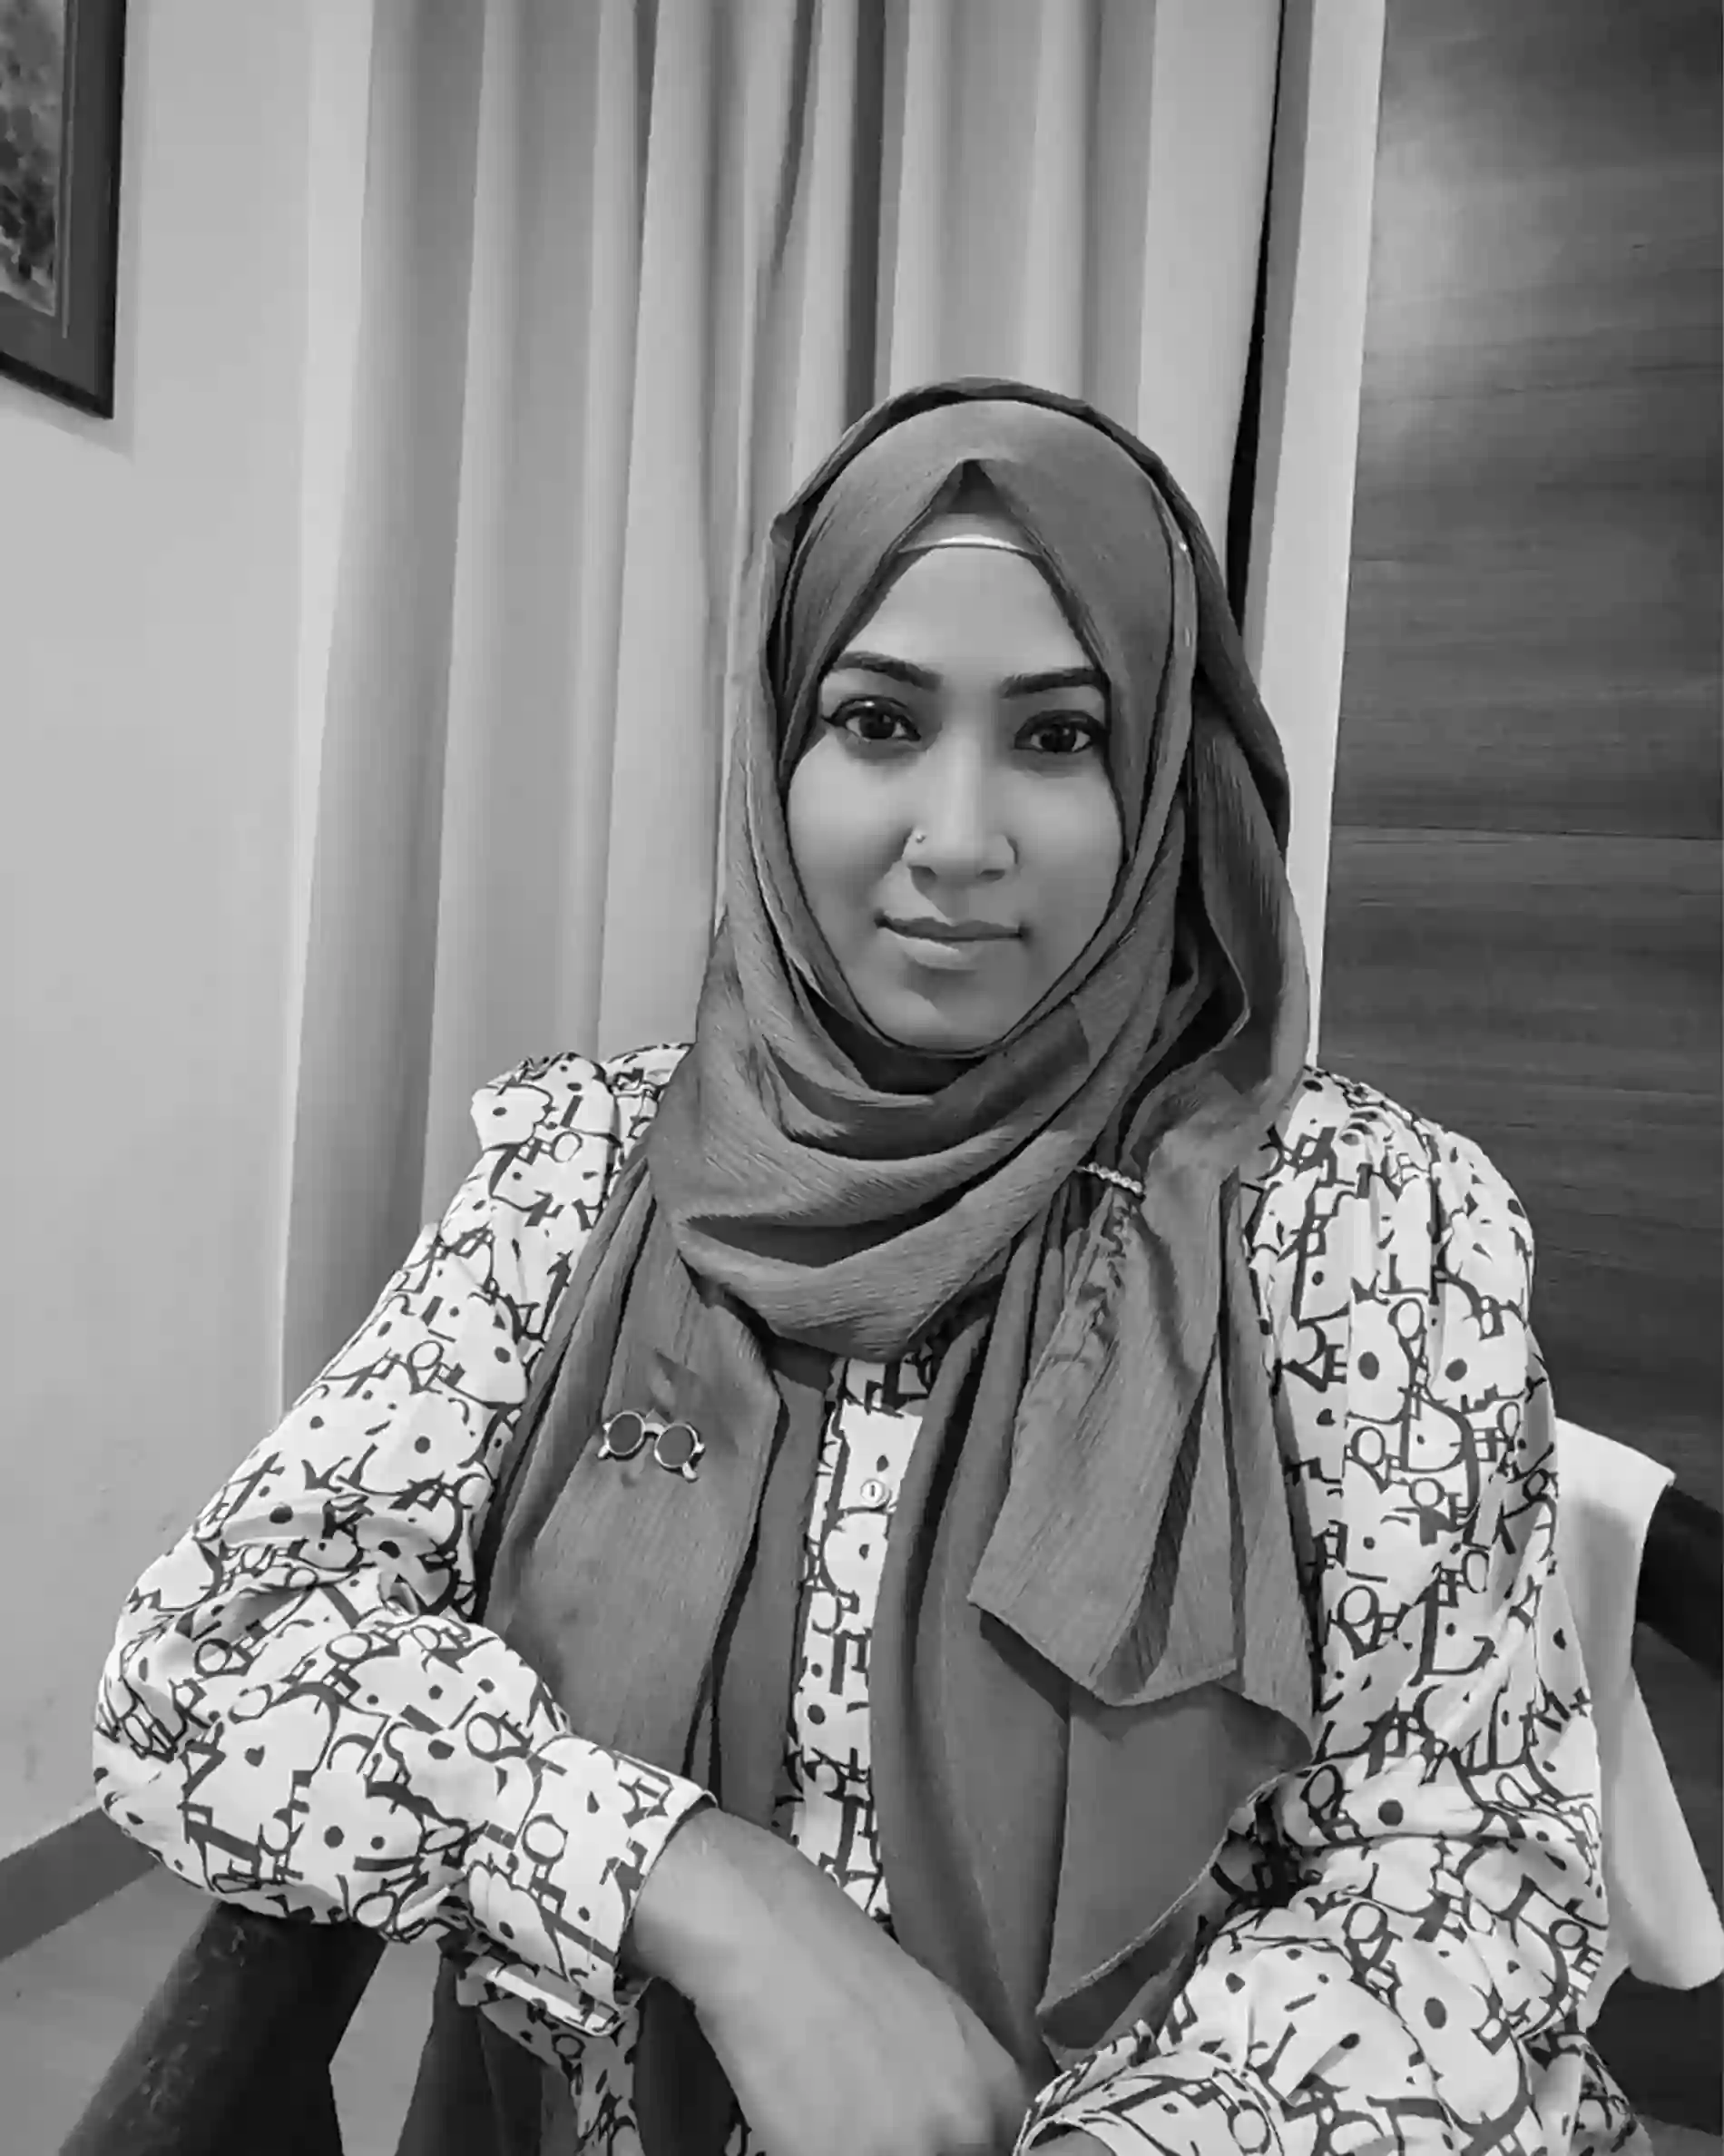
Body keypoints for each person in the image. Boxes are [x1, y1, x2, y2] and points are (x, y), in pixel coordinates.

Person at [93, 381, 1641, 2156]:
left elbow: (1464, 1883)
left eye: (1057, 737)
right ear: (779, 756)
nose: (957, 838)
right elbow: (203, 1660)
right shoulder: (582, 1178)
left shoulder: (1358, 1233)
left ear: (1163, 776)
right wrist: (705, 1889)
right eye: (879, 720)